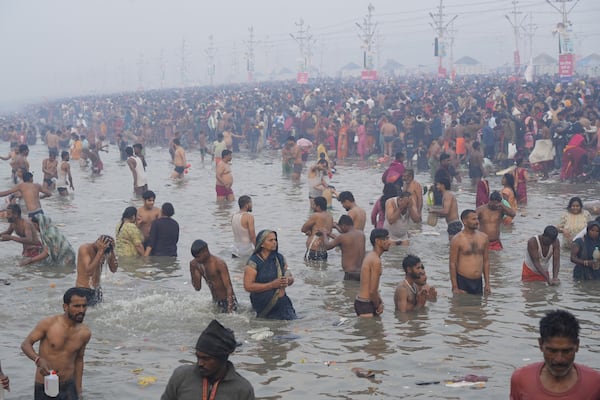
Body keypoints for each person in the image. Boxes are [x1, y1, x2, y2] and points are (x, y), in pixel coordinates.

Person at [510, 309, 600, 399]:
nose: (559, 359)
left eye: (566, 351)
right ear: (541, 344)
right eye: (552, 351)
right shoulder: (521, 379)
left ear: (577, 345)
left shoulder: (595, 383)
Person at [21, 287, 92, 400]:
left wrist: (79, 390)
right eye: (77, 306)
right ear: (65, 307)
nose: (81, 310)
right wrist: (38, 360)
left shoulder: (85, 333)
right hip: (45, 384)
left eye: (84, 306)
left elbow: (79, 360)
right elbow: (26, 344)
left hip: (69, 385)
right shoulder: (48, 324)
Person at [160, 319, 255, 400]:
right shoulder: (181, 376)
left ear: (222, 358)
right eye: (198, 357)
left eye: (206, 359)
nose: (200, 363)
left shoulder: (243, 390)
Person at [243, 230, 297, 320]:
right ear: (262, 244)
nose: (274, 242)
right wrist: (272, 285)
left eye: (275, 240)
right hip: (263, 304)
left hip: (283, 303)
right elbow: (248, 286)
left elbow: (289, 274)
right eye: (270, 240)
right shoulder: (253, 262)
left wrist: (288, 280)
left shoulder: (280, 258)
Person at [449, 209, 491, 295]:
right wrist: (454, 286)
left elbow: (486, 261)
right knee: (462, 307)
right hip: (463, 280)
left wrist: (487, 284)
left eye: (477, 219)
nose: (477, 222)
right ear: (464, 221)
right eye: (473, 219)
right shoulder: (457, 239)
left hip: (478, 281)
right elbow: (452, 264)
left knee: (479, 307)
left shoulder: (484, 237)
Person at [189, 240, 238, 313]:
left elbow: (229, 287)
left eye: (198, 257)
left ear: (206, 251)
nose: (197, 260)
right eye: (195, 257)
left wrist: (230, 307)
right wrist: (193, 271)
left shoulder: (219, 264)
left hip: (228, 300)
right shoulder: (196, 264)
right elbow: (197, 288)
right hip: (215, 301)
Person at [355, 229, 390, 317]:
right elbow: (372, 290)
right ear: (377, 241)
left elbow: (372, 287)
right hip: (366, 304)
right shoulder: (376, 261)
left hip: (362, 301)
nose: (389, 242)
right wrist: (377, 305)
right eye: (386, 239)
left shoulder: (371, 256)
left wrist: (380, 301)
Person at [75, 235, 118, 306]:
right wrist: (100, 251)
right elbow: (89, 272)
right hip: (83, 291)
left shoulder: (105, 251)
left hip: (97, 290)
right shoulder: (84, 248)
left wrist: (112, 250)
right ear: (97, 242)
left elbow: (114, 269)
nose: (104, 255)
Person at [322, 215, 366, 281]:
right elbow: (346, 245)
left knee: (348, 290)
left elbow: (327, 246)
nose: (340, 230)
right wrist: (330, 234)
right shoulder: (361, 234)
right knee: (357, 290)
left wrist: (324, 234)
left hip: (350, 274)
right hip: (362, 272)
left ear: (344, 225)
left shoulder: (343, 237)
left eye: (341, 227)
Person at [301, 196, 334, 261]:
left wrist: (309, 231)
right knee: (322, 270)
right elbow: (328, 232)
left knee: (310, 269)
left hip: (313, 250)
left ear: (318, 207)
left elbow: (303, 229)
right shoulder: (330, 217)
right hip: (323, 250)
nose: (312, 207)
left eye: (314, 205)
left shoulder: (316, 216)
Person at [429, 177, 461, 241]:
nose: (437, 187)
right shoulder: (446, 195)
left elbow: (446, 211)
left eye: (438, 185)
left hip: (454, 224)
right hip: (452, 224)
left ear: (442, 185)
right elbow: (447, 213)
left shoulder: (447, 195)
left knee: (452, 246)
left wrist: (433, 210)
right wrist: (436, 215)